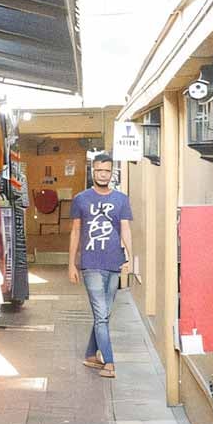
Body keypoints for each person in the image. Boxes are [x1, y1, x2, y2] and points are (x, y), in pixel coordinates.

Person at [68, 152, 133, 379]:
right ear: (92, 172)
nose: (103, 175)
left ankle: (90, 354)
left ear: (111, 172)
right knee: (102, 315)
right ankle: (109, 363)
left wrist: (130, 259)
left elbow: (125, 229)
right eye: (99, 171)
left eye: (107, 171)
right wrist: (71, 264)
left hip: (114, 262)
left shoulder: (121, 199)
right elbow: (76, 231)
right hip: (91, 264)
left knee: (103, 314)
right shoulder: (81, 199)